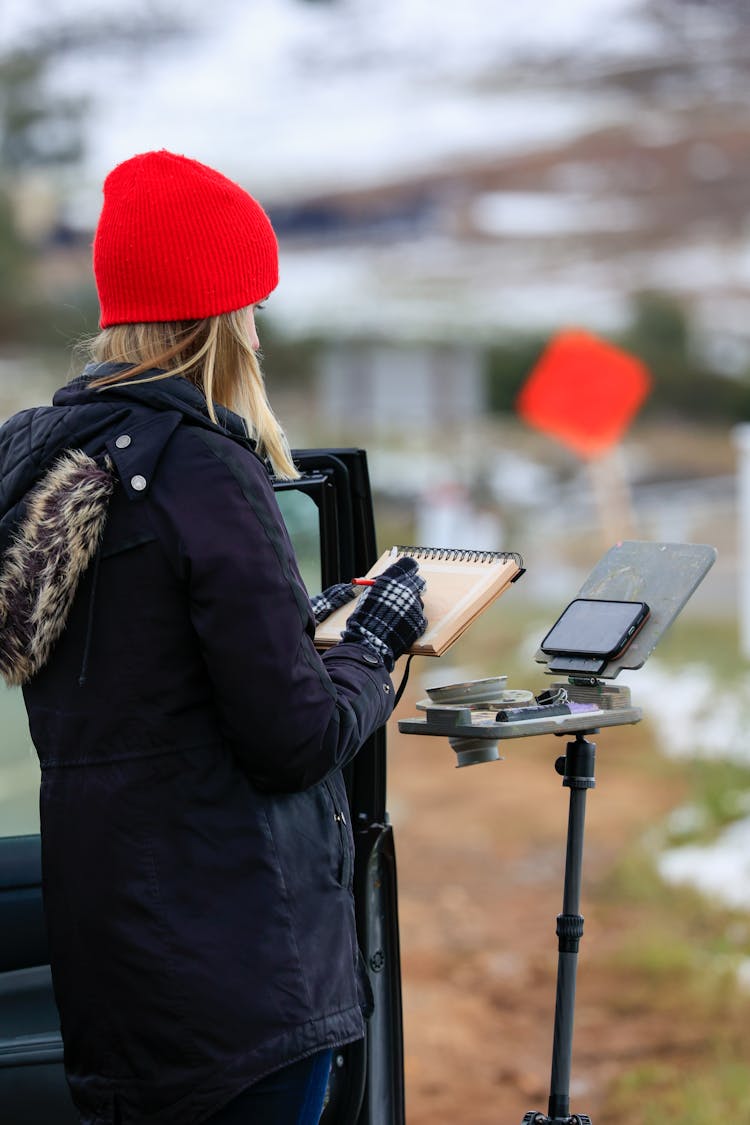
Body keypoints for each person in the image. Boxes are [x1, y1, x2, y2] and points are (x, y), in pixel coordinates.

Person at [0, 149, 427, 1125]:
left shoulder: (40, 458)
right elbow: (294, 740)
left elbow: (149, 678)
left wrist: (297, 629)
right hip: (236, 976)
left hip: (115, 974)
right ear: (224, 315)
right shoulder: (200, 465)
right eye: (252, 307)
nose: (259, 335)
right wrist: (375, 641)